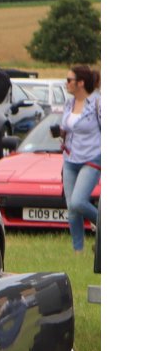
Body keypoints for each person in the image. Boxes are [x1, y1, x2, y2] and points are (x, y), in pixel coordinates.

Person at [58, 64, 101, 254]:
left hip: (92, 158)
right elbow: (67, 128)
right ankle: (78, 251)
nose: (66, 83)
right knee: (72, 208)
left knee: (78, 201)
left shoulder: (98, 103)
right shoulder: (69, 104)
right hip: (70, 158)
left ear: (81, 83)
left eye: (69, 80)